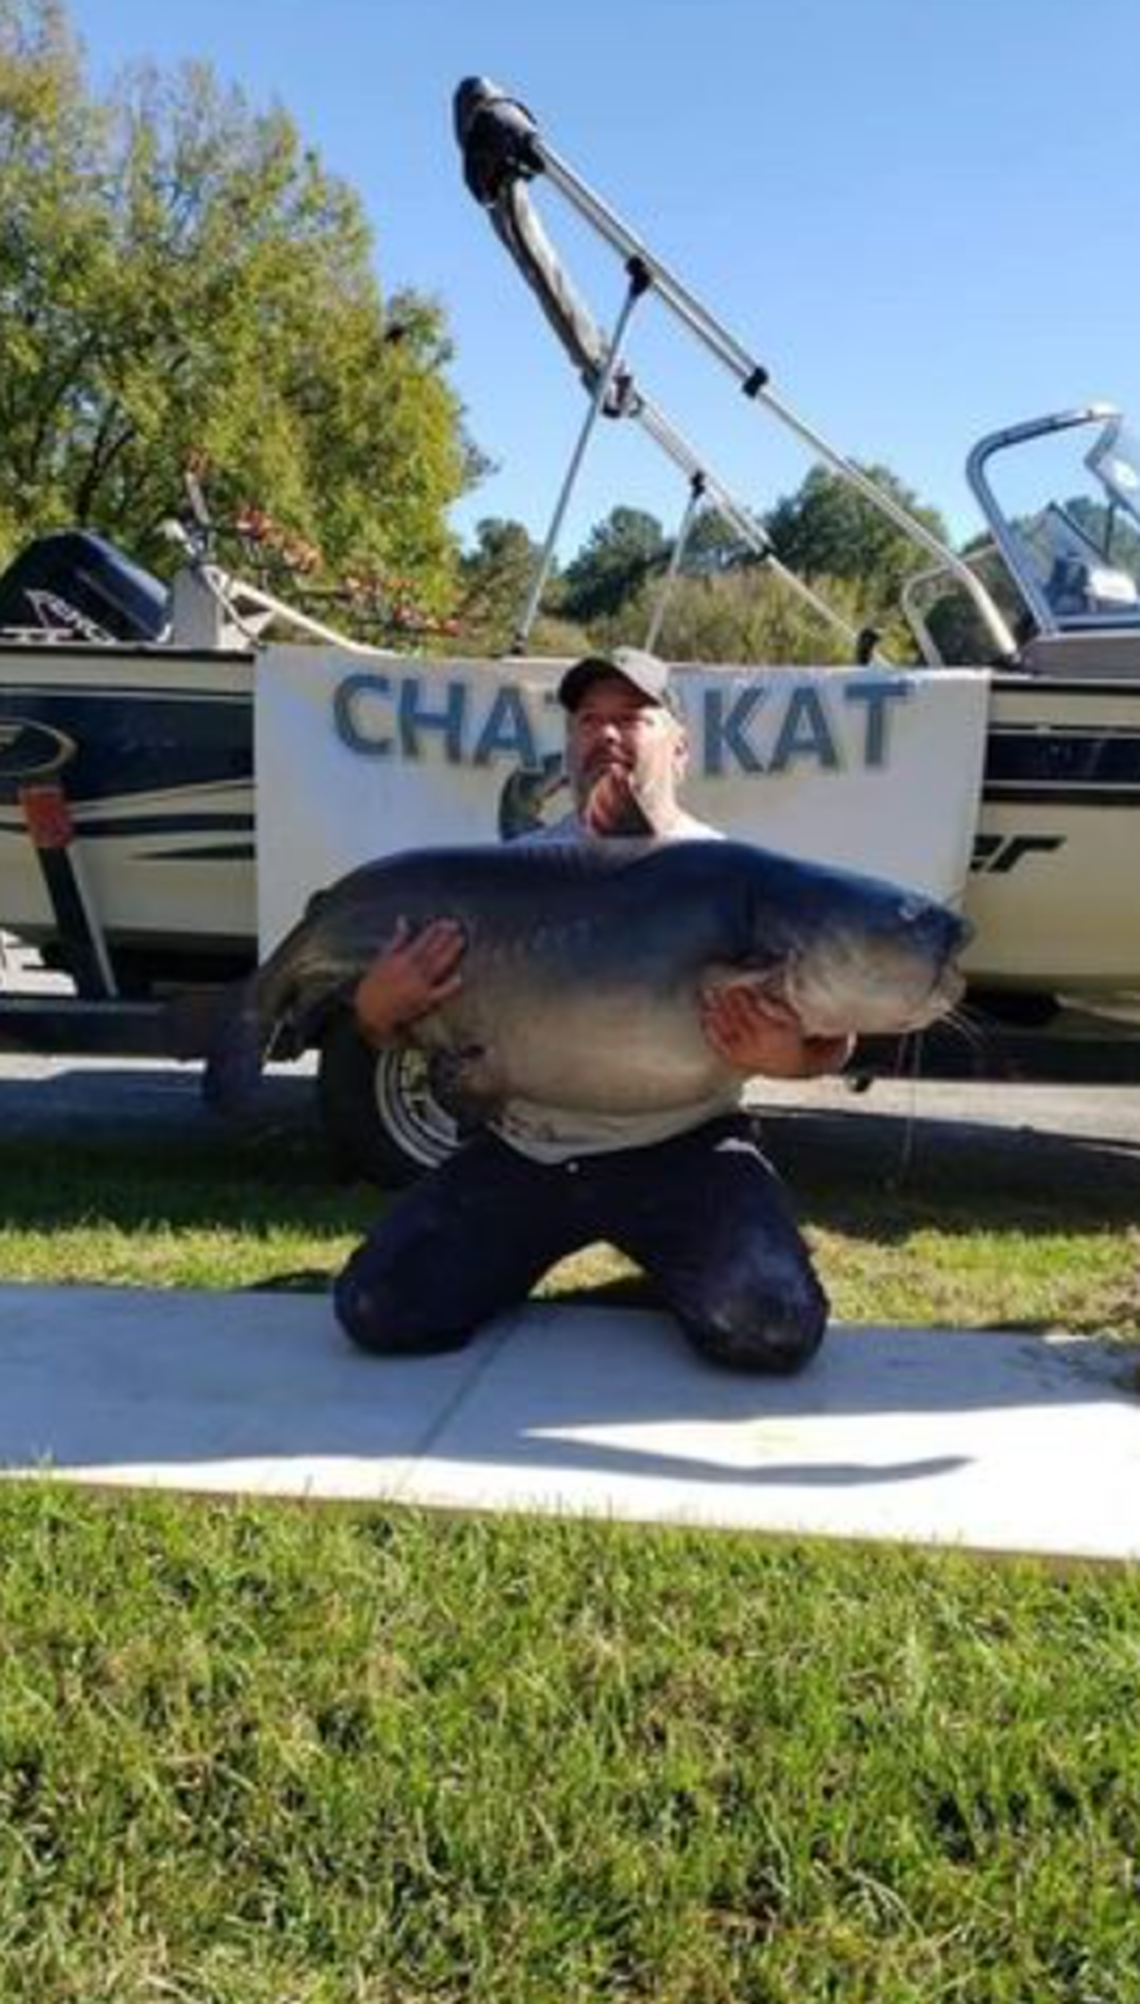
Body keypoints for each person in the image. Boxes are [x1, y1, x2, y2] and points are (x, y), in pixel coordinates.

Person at [334, 647, 853, 1373]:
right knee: (378, 1310)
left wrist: (794, 1059)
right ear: (569, 740)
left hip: (687, 1148)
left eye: (631, 718)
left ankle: (679, 1265)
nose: (605, 734)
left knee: (772, 1328)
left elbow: (835, 1033)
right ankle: (555, 1262)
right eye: (587, 720)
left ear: (679, 745)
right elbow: (403, 1029)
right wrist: (374, 1010)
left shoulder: (739, 878)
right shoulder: (513, 878)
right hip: (528, 1147)